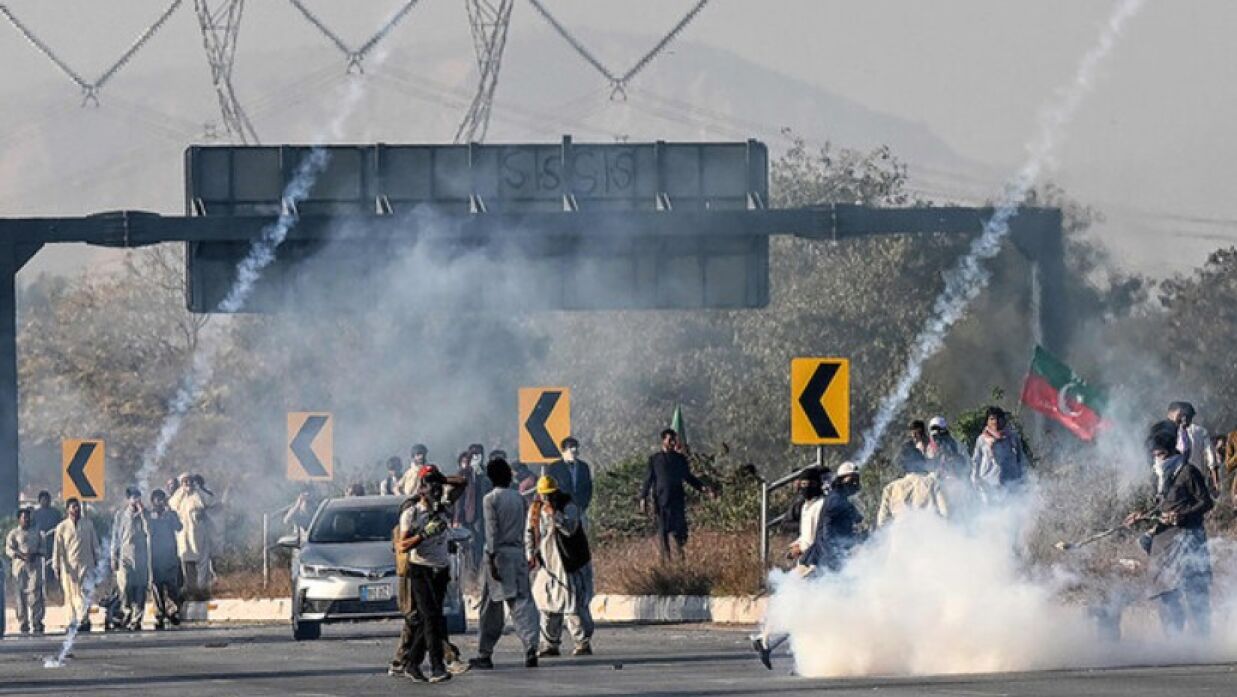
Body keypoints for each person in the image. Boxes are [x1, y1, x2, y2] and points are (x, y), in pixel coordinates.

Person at [1125, 420, 1214, 637]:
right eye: (1155, 455)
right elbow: (1157, 507)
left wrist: (1181, 515)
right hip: (1162, 541)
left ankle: (1204, 643)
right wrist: (1140, 515)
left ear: (1171, 451)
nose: (1158, 459)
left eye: (1162, 455)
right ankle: (1173, 642)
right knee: (1164, 593)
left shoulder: (1188, 472)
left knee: (1195, 592)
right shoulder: (1156, 475)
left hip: (1189, 538)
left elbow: (1207, 503)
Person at [751, 466, 826, 669]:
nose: (804, 488)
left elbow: (816, 538)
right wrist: (796, 547)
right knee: (801, 610)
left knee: (805, 612)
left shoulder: (821, 505)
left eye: (807, 484)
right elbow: (808, 537)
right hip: (809, 564)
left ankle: (767, 641)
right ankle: (766, 640)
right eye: (802, 484)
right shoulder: (807, 506)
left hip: (813, 563)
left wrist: (801, 547)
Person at [469, 458, 540, 670]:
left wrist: (491, 560)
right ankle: (531, 647)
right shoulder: (518, 498)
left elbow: (491, 532)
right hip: (517, 554)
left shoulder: (490, 499)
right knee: (523, 603)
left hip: (498, 556)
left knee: (491, 608)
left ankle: (485, 653)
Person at [396, 467, 453, 683]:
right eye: (430, 485)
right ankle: (437, 667)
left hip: (441, 568)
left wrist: (441, 478)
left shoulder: (443, 509)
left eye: (437, 485)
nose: (435, 489)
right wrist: (424, 534)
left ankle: (411, 662)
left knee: (431, 618)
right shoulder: (411, 514)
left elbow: (461, 484)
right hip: (421, 569)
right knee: (430, 617)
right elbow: (402, 545)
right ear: (421, 489)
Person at [529, 475, 595, 658]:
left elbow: (570, 529)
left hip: (568, 562)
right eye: (544, 495)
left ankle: (582, 642)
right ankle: (549, 644)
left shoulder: (569, 507)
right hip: (547, 563)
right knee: (546, 603)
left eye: (550, 495)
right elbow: (530, 532)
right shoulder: (535, 509)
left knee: (571, 604)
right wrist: (530, 555)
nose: (547, 499)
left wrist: (555, 515)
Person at [639, 429, 710, 562]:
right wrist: (643, 498)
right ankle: (666, 561)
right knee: (663, 532)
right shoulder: (654, 459)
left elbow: (688, 477)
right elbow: (648, 480)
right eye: (670, 440)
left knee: (680, 532)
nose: (672, 442)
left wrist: (702, 487)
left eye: (674, 440)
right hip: (661, 502)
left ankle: (681, 558)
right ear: (663, 440)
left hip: (677, 501)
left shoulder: (680, 459)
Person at [801, 462, 865, 574]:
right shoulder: (835, 500)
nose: (854, 483)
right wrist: (836, 558)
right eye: (851, 479)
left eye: (856, 479)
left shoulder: (841, 499)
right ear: (841, 480)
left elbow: (857, 520)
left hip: (831, 557)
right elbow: (827, 535)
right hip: (824, 560)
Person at [52, 498, 102, 631]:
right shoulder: (62, 527)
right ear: (67, 509)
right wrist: (56, 566)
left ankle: (84, 620)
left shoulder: (88, 524)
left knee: (84, 593)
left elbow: (95, 544)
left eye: (78, 506)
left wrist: (98, 561)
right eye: (73, 507)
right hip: (69, 567)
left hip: (87, 564)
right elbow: (57, 549)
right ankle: (72, 621)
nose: (76, 509)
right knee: (70, 595)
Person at [168, 472, 214, 600]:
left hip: (199, 535)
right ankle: (191, 592)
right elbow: (171, 504)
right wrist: (182, 491)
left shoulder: (198, 495)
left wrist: (198, 488)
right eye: (184, 481)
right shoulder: (178, 497)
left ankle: (202, 591)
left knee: (202, 565)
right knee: (188, 566)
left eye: (189, 481)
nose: (187, 484)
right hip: (184, 537)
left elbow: (209, 501)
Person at [111, 487, 151, 631]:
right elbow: (116, 536)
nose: (135, 500)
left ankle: (136, 619)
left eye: (137, 497)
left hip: (141, 555)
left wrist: (142, 514)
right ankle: (127, 611)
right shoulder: (120, 515)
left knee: (140, 588)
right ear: (128, 500)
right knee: (126, 585)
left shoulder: (145, 514)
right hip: (125, 555)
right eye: (133, 497)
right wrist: (113, 556)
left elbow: (149, 531)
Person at [452, 446, 491, 595]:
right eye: (473, 455)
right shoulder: (463, 474)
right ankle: (471, 578)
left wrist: (482, 475)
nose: (476, 457)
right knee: (469, 546)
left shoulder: (486, 473)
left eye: (479, 454)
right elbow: (459, 499)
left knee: (480, 546)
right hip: (469, 515)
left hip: (483, 515)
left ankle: (481, 578)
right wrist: (457, 518)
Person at [877, 448, 949, 527]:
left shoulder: (890, 488)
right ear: (921, 462)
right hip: (928, 531)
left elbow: (882, 522)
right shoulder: (932, 482)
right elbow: (945, 513)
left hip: (900, 535)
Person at [970, 406, 1027, 500]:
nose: (995, 422)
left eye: (998, 418)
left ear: (1003, 420)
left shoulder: (1013, 437)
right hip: (988, 483)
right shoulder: (982, 439)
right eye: (992, 418)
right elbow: (976, 460)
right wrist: (974, 478)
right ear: (987, 421)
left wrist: (1023, 478)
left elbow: (1021, 459)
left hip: (1010, 482)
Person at [5, 507, 46, 634]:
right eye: (24, 518)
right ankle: (23, 623)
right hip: (19, 569)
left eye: (28, 517)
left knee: (35, 595)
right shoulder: (13, 534)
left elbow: (43, 549)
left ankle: (37, 621)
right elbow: (9, 550)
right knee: (20, 596)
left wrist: (35, 554)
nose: (26, 520)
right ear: (19, 519)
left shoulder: (37, 533)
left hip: (34, 568)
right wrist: (20, 555)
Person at [148, 489, 183, 630]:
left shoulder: (171, 514)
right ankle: (159, 616)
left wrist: (170, 515)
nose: (160, 502)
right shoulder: (149, 516)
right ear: (153, 502)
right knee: (156, 588)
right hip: (155, 557)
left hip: (169, 556)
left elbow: (179, 527)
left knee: (172, 587)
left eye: (162, 499)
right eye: (157, 500)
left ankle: (173, 611)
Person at [1167, 402, 1219, 492]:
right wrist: (1216, 480)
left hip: (1178, 479)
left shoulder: (1171, 432)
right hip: (1197, 477)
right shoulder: (1201, 431)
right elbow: (1211, 458)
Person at [546, 436, 594, 518]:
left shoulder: (583, 467)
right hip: (560, 511)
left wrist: (584, 505)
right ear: (563, 451)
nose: (574, 449)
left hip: (579, 509)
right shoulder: (554, 467)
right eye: (570, 447)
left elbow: (588, 488)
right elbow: (549, 489)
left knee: (583, 528)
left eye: (575, 447)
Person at [30, 491, 61, 587]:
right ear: (39, 501)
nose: (45, 501)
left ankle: (53, 585)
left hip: (53, 542)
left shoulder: (56, 513)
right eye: (43, 499)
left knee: (53, 564)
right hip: (40, 544)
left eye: (47, 499)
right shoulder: (35, 514)